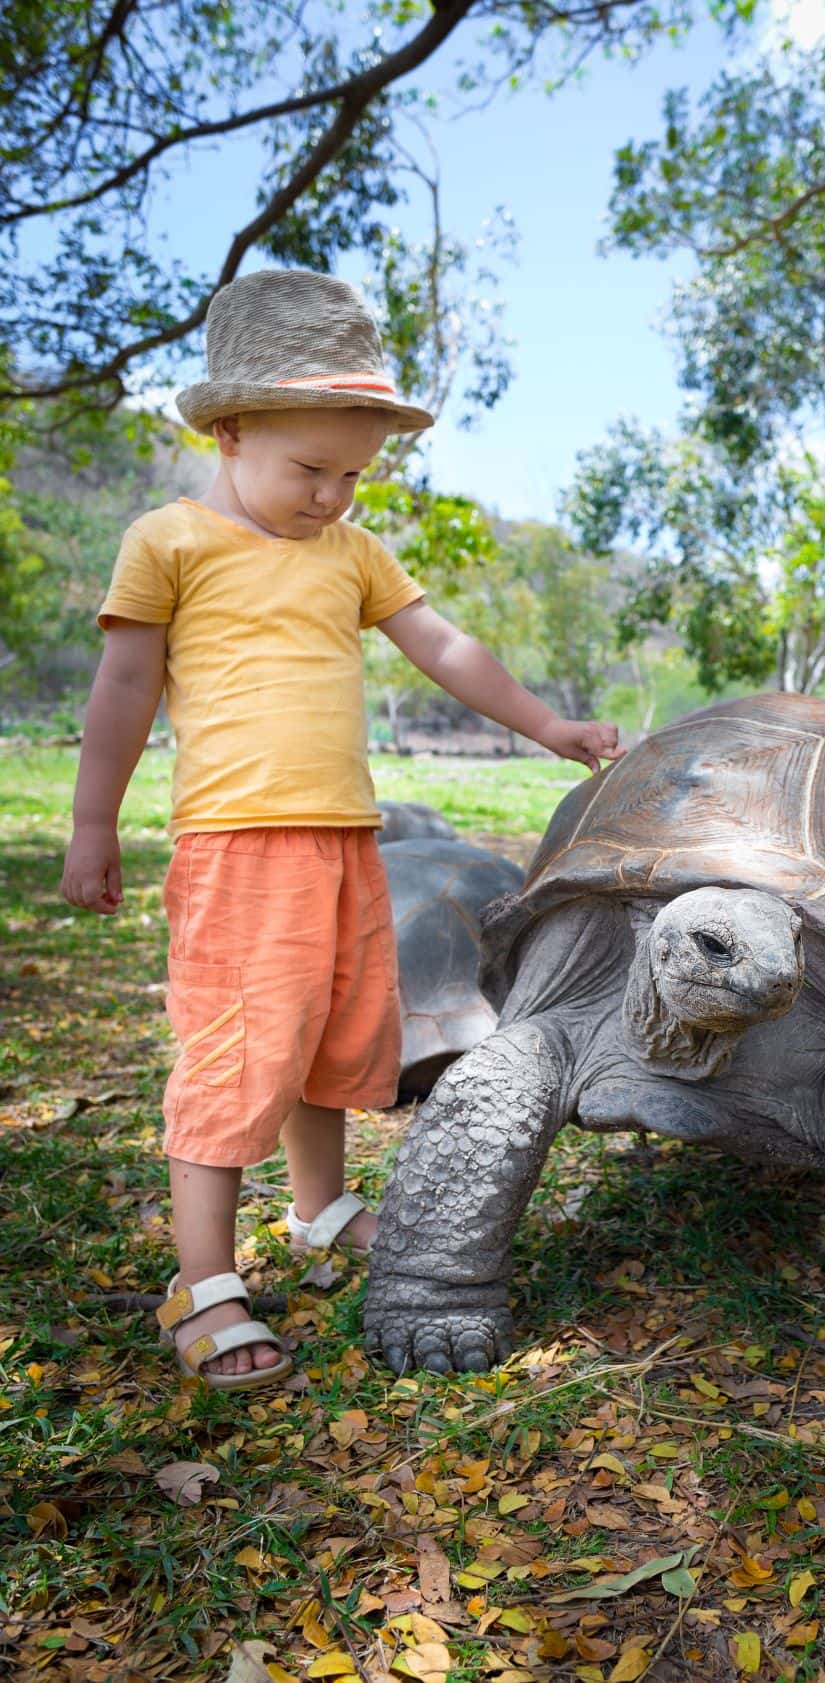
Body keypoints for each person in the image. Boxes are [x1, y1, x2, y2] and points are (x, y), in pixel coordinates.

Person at [60, 268, 623, 1392]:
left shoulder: (352, 554)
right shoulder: (170, 540)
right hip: (238, 845)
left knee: (329, 1042)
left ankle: (316, 1212)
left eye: (352, 475)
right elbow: (123, 687)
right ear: (230, 430)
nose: (331, 497)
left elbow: (444, 647)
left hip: (343, 845)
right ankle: (202, 1279)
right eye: (309, 469)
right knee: (237, 1054)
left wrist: (545, 722)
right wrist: (92, 825)